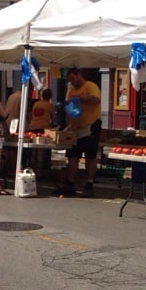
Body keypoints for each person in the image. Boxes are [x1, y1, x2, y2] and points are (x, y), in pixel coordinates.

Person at [63, 67, 102, 197]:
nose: (72, 82)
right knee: (73, 156)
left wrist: (80, 99)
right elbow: (69, 109)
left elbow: (96, 100)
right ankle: (70, 183)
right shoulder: (72, 91)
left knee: (90, 156)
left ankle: (89, 183)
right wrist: (68, 125)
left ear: (79, 75)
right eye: (70, 81)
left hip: (90, 126)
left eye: (73, 79)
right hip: (76, 127)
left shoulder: (90, 86)